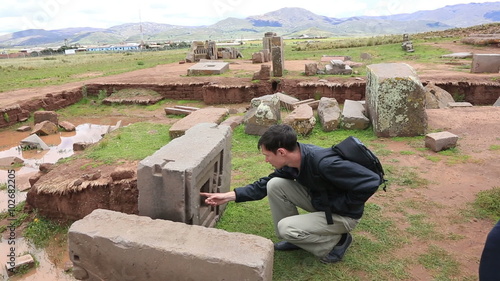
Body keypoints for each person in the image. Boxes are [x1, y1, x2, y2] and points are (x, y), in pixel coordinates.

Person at [201, 124, 381, 263]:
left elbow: (371, 181)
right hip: (323, 202)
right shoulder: (294, 160)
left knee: (286, 228)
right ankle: (296, 240)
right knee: (275, 184)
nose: (266, 160)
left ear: (281, 152)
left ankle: (337, 242)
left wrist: (340, 205)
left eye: (267, 155)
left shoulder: (324, 163)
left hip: (343, 215)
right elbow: (263, 185)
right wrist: (229, 196)